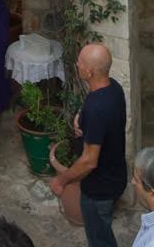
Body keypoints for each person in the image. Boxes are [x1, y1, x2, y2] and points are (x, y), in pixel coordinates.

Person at [49, 44, 126, 247]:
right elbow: (99, 113)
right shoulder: (114, 88)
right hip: (116, 174)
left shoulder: (96, 109)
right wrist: (81, 117)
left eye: (80, 62)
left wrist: (61, 180)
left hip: (99, 189)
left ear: (90, 72)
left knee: (100, 240)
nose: (77, 64)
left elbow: (89, 161)